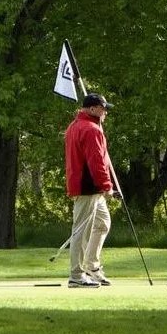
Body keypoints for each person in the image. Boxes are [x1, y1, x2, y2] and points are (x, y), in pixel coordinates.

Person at [64, 92, 116, 288]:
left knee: (102, 223)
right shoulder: (92, 129)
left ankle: (91, 266)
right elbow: (97, 162)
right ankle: (76, 275)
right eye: (103, 109)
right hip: (89, 186)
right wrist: (106, 186)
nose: (105, 113)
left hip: (85, 185)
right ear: (93, 109)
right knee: (81, 231)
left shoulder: (74, 126)